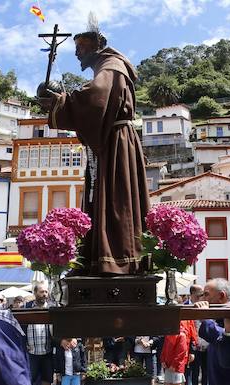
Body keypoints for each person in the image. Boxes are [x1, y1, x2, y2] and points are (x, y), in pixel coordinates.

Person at [37, 20, 149, 276]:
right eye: (76, 47)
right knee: (103, 195)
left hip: (116, 141)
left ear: (98, 45)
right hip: (111, 139)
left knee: (114, 196)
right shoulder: (106, 66)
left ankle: (116, 259)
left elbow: (96, 97)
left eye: (82, 46)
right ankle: (98, 256)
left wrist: (60, 102)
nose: (77, 53)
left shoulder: (111, 65)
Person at [25, 283, 55, 385]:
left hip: (47, 350)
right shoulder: (27, 307)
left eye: (46, 292)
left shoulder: (51, 308)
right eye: (41, 292)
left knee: (47, 378)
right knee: (29, 378)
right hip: (31, 351)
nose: (44, 294)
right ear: (35, 293)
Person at [160, 319, 197, 385]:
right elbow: (164, 348)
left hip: (177, 365)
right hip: (168, 364)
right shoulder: (169, 334)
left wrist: (174, 365)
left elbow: (181, 352)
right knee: (169, 383)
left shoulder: (182, 335)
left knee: (178, 384)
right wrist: (163, 360)